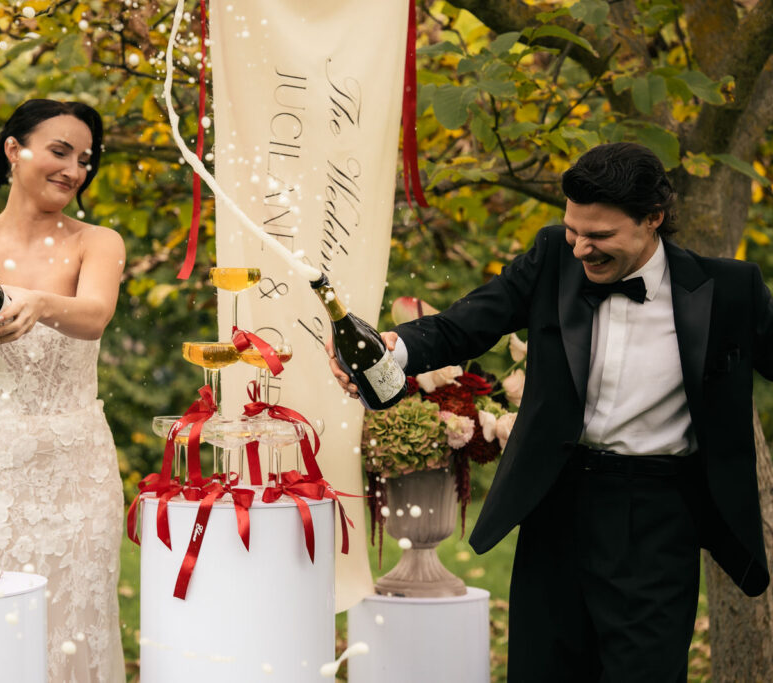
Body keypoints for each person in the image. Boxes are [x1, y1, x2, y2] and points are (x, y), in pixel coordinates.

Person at [329, 142, 771, 681]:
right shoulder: (552, 257)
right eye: (573, 230)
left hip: (659, 514)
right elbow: (463, 324)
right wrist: (389, 348)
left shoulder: (729, 290)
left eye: (600, 236)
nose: (582, 248)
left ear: (653, 218)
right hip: (556, 500)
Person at [0, 99, 126, 683]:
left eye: (84, 159)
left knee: (75, 621)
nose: (73, 169)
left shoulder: (99, 241)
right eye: (59, 151)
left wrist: (39, 304)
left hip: (77, 464)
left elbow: (93, 315)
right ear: (14, 150)